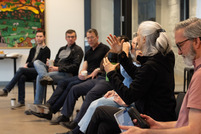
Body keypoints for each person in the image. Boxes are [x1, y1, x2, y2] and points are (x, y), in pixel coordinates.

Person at [85, 20, 177, 134]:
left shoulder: (151, 65)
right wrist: (121, 54)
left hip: (149, 120)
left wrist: (111, 73)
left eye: (137, 35)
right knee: (104, 126)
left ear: (144, 39)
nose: (136, 39)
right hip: (159, 114)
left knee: (100, 111)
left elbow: (128, 96)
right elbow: (139, 75)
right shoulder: (165, 56)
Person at [115, 17, 201, 134]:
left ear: (196, 42)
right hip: (162, 117)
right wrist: (158, 125)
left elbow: (194, 130)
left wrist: (146, 132)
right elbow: (185, 122)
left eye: (180, 45)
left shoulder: (199, 76)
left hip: (157, 112)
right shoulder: (193, 70)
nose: (179, 52)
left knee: (101, 114)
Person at [57, 36, 141, 134]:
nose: (132, 45)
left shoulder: (136, 60)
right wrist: (114, 51)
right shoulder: (91, 52)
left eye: (136, 43)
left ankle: (76, 129)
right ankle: (71, 124)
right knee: (73, 87)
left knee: (95, 100)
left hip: (116, 87)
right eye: (133, 43)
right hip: (109, 83)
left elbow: (128, 76)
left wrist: (123, 54)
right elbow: (102, 65)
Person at [29, 28, 110, 122]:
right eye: (88, 38)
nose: (90, 40)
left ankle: (52, 111)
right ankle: (49, 106)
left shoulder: (104, 48)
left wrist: (98, 70)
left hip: (96, 77)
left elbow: (107, 63)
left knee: (71, 85)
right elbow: (85, 65)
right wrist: (82, 72)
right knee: (63, 83)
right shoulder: (88, 51)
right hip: (86, 76)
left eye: (92, 37)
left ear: (97, 37)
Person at [0, 30, 50, 109]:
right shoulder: (33, 49)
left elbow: (42, 64)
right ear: (35, 38)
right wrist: (28, 65)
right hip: (31, 70)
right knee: (21, 76)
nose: (38, 38)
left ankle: (6, 89)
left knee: (21, 69)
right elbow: (28, 61)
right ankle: (21, 101)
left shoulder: (46, 50)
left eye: (40, 36)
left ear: (44, 37)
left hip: (39, 72)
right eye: (37, 36)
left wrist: (28, 65)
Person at [33, 29, 84, 104]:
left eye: (72, 37)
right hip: (57, 72)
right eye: (68, 37)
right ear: (65, 38)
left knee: (39, 77)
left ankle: (37, 104)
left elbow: (75, 67)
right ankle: (45, 76)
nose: (70, 39)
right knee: (37, 62)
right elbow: (57, 62)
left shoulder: (78, 50)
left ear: (75, 38)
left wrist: (58, 68)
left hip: (68, 74)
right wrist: (51, 64)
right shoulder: (62, 49)